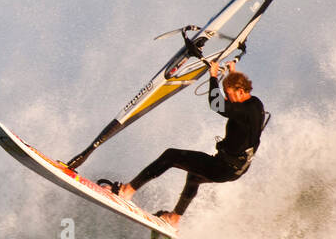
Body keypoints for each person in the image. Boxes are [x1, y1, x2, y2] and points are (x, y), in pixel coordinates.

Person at [107, 59, 266, 227]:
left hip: (223, 167)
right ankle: (173, 218)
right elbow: (235, 93)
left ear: (241, 91)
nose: (227, 98)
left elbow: (216, 104)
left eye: (228, 94)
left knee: (171, 155)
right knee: (195, 176)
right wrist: (231, 73)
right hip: (235, 170)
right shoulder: (255, 104)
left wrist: (213, 77)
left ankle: (127, 191)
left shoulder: (243, 110)